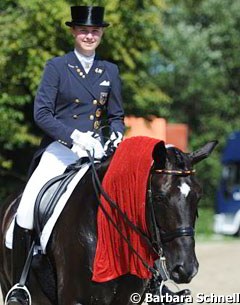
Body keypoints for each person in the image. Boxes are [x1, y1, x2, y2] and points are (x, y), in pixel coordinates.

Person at [5, 6, 124, 305]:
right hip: (61, 150)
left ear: (101, 33)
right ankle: (19, 285)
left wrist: (115, 134)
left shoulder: (110, 71)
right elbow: (41, 113)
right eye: (84, 30)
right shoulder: (57, 67)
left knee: (132, 202)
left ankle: (152, 276)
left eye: (94, 31)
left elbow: (117, 115)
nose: (89, 35)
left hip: (98, 153)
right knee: (28, 208)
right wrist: (74, 137)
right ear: (73, 31)